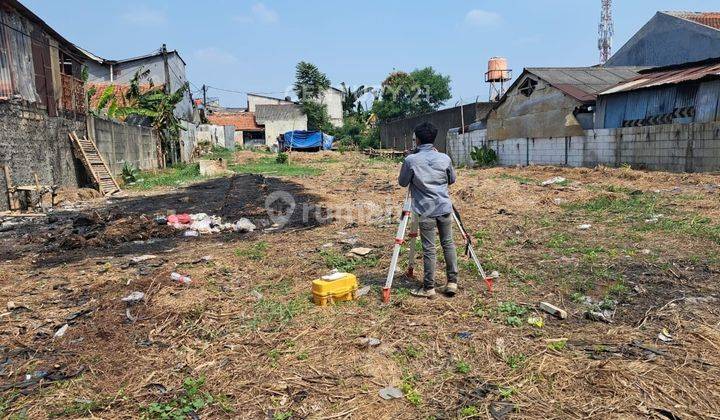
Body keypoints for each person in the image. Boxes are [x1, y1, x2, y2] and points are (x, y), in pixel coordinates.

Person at [398, 122, 459, 299]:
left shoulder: (411, 160)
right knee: (448, 243)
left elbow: (403, 182)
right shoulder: (445, 158)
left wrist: (408, 161)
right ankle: (452, 282)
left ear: (416, 139)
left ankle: (429, 288)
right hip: (444, 207)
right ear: (434, 138)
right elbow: (451, 179)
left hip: (425, 210)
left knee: (429, 248)